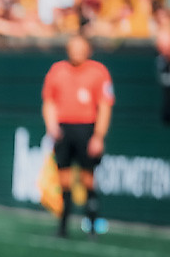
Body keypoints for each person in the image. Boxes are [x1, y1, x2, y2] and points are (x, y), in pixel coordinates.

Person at [41, 34, 115, 238]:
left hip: (87, 129)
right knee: (63, 180)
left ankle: (92, 225)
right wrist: (51, 126)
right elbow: (49, 102)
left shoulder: (98, 72)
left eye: (81, 48)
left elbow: (105, 105)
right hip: (64, 129)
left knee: (87, 179)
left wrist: (98, 135)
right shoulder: (57, 70)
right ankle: (63, 226)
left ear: (88, 50)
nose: (77, 52)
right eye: (73, 47)